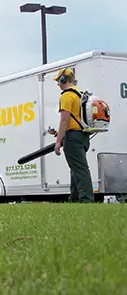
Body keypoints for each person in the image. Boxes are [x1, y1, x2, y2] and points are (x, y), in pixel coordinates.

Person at [53, 68, 94, 203]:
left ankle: (86, 200)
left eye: (58, 81)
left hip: (72, 137)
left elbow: (64, 120)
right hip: (83, 136)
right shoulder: (79, 94)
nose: (58, 84)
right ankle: (75, 199)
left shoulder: (66, 96)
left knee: (80, 169)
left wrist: (58, 141)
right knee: (75, 169)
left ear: (63, 80)